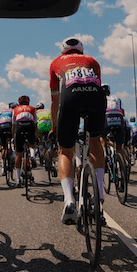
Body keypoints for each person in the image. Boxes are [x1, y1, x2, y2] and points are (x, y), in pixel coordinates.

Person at [49, 37, 106, 224]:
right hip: (95, 96)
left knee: (65, 151)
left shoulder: (56, 62)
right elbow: (97, 85)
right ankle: (100, 193)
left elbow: (55, 100)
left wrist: (54, 126)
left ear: (62, 51)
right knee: (95, 140)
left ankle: (69, 199)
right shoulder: (92, 60)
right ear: (81, 50)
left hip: (70, 96)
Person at [12, 95, 38, 186]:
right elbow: (35, 124)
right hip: (30, 125)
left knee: (19, 154)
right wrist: (35, 137)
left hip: (19, 126)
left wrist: (14, 136)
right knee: (32, 144)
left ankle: (18, 179)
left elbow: (13, 125)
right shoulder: (32, 108)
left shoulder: (15, 109)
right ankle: (32, 156)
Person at [100, 85, 129, 164]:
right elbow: (122, 111)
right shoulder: (116, 98)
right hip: (119, 118)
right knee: (119, 147)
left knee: (102, 136)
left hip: (107, 117)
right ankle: (122, 162)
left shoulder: (100, 99)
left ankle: (105, 155)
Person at [35, 102, 55, 172]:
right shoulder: (47, 110)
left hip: (41, 125)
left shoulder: (36, 112)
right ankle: (53, 162)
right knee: (51, 141)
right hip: (50, 124)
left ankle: (41, 153)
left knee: (40, 140)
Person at [0, 103, 15, 175]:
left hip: (1, 127)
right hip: (9, 126)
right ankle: (13, 156)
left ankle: (3, 168)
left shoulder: (2, 111)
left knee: (4, 147)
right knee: (13, 142)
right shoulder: (14, 111)